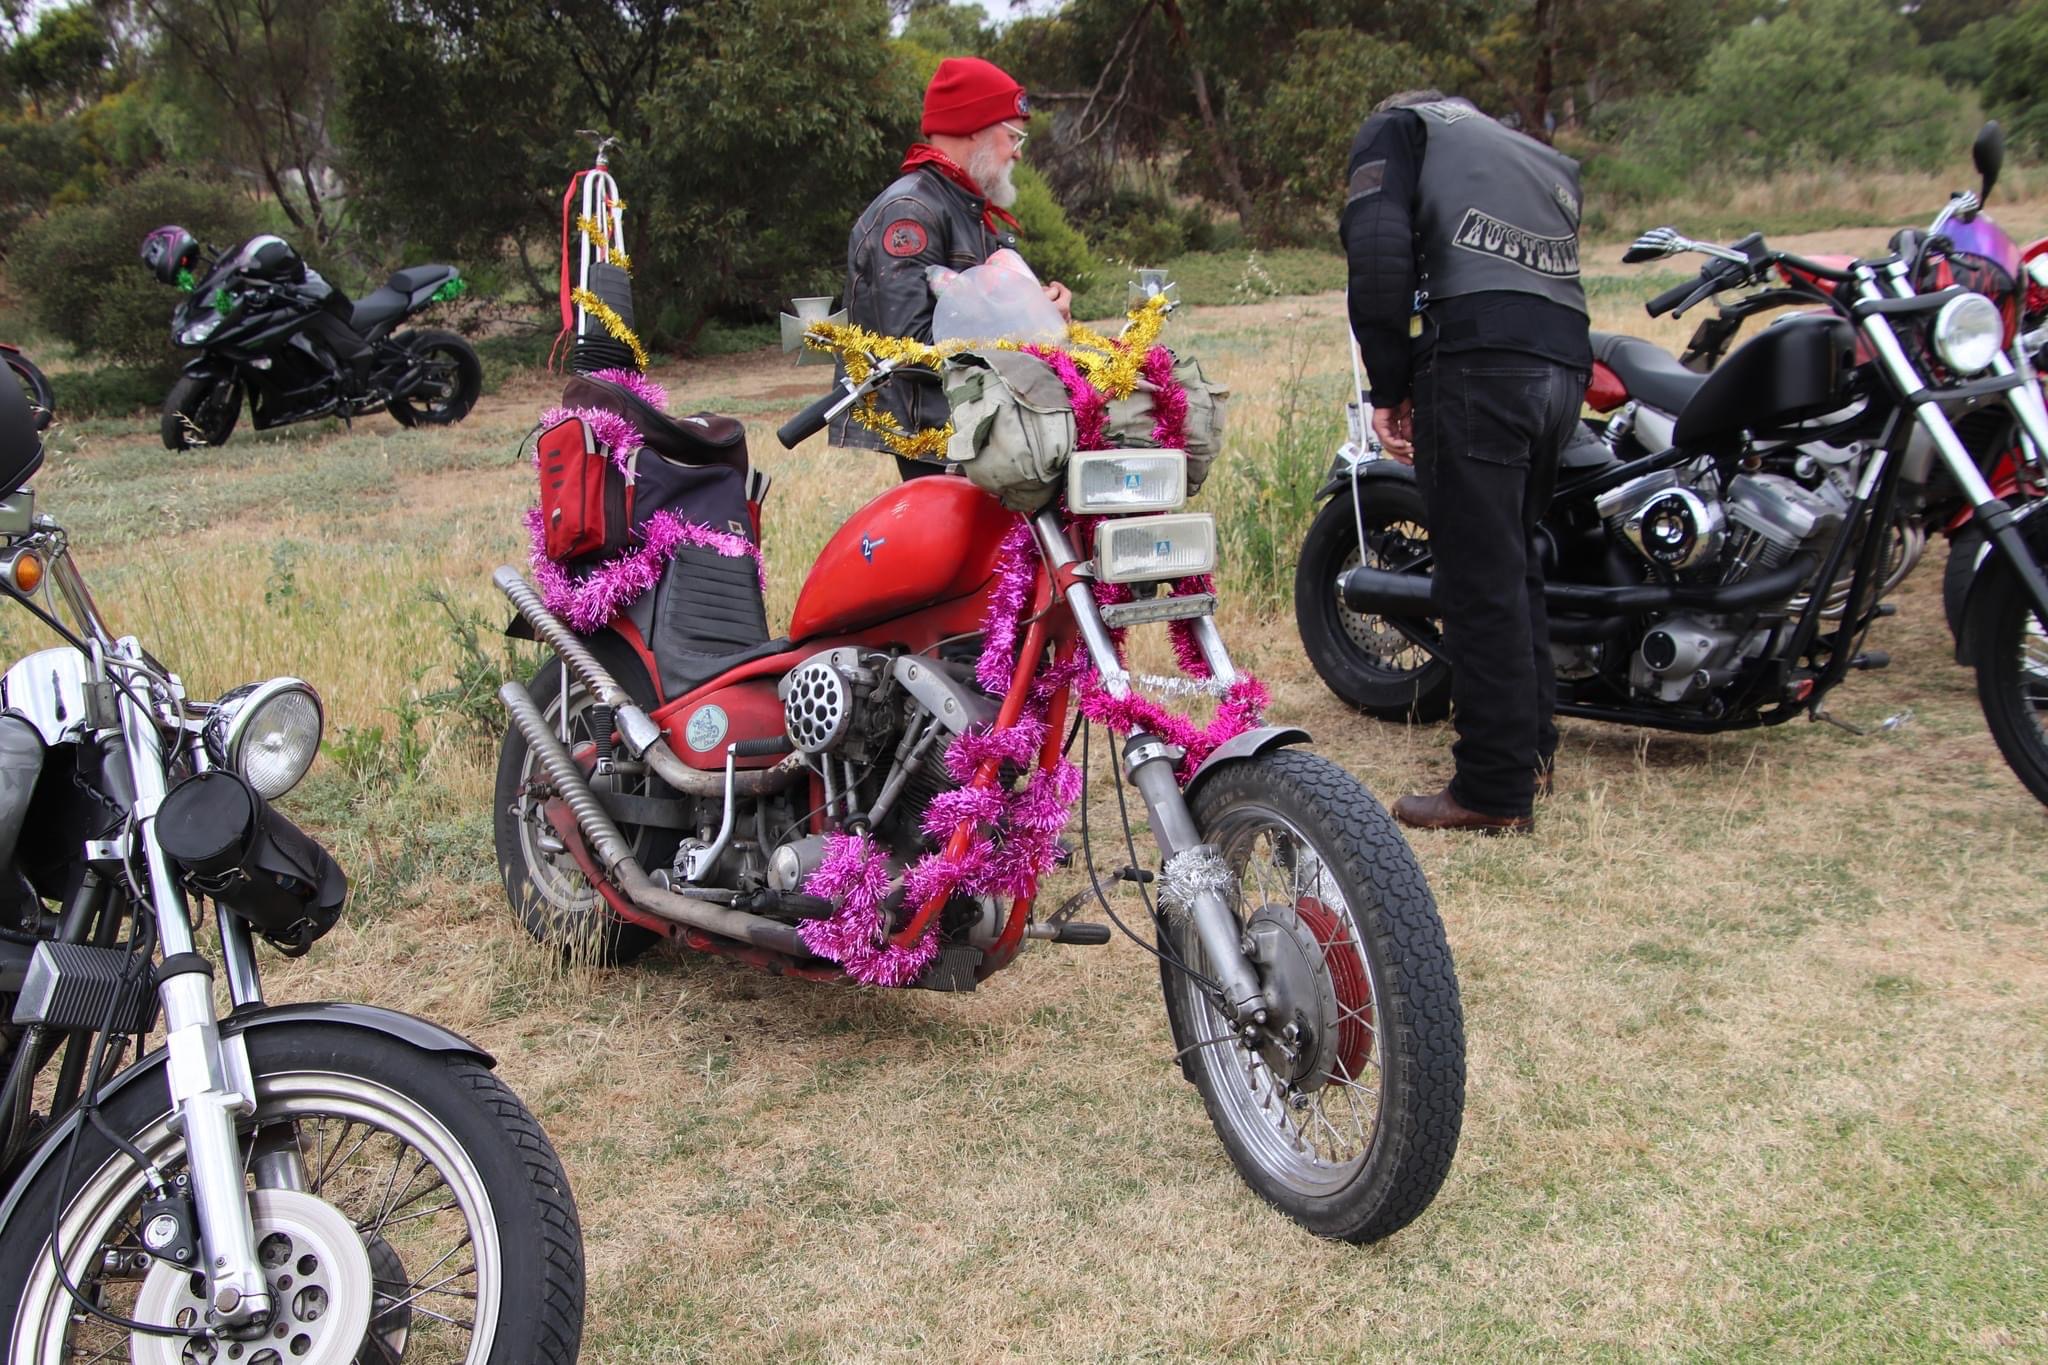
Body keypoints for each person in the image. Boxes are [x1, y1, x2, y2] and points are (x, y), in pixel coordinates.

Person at [1340, 90, 1591, 834]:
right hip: (1564, 360)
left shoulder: (1398, 127)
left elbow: (1378, 252)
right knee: (1513, 564)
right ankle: (1528, 754)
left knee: (1477, 579)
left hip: (1479, 359)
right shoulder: (1532, 152)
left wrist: (1389, 384)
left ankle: (1492, 788)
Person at [830, 55, 1073, 479]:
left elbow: (983, 307)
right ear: (974, 127)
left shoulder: (963, 205)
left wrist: (1043, 308)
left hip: (975, 419)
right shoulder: (912, 210)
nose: (1017, 153)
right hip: (938, 431)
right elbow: (909, 347)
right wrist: (1024, 329)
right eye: (1013, 136)